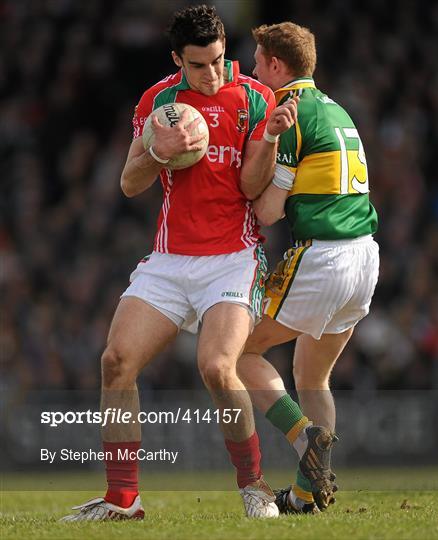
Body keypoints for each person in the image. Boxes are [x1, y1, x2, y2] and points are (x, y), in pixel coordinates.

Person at [61, 5, 298, 521]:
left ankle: (254, 487)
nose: (211, 75)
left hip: (233, 258)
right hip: (170, 260)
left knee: (216, 366)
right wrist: (158, 151)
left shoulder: (255, 97)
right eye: (198, 66)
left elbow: (252, 187)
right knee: (115, 363)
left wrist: (271, 138)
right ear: (177, 60)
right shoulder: (158, 101)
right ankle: (124, 501)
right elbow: (129, 183)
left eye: (217, 61)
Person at [237, 22, 380, 514]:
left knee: (238, 353)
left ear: (277, 66)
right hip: (365, 256)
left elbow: (270, 211)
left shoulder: (291, 112)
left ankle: (305, 438)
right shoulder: (336, 108)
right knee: (312, 373)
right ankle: (305, 495)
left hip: (325, 255)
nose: (255, 70)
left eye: (258, 62)